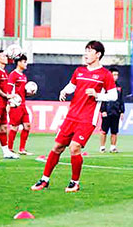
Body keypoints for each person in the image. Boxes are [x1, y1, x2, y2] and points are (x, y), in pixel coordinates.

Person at [31, 41, 117, 192]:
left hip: (87, 118)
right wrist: (64, 91)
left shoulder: (105, 75)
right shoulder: (79, 71)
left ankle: (74, 183)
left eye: (90, 51)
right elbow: (72, 86)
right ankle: (44, 180)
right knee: (57, 147)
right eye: (86, 50)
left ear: (98, 55)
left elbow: (113, 95)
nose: (86, 54)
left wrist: (98, 95)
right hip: (71, 116)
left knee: (74, 147)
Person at [7, 54, 35, 155]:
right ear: (19, 63)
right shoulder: (13, 75)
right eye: (24, 62)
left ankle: (22, 149)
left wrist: (29, 94)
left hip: (23, 104)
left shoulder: (23, 76)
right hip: (15, 105)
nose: (26, 64)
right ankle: (9, 149)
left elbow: (22, 92)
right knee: (14, 127)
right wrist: (10, 102)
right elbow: (9, 91)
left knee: (27, 126)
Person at [99, 67, 125, 153]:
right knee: (104, 131)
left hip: (116, 112)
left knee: (114, 131)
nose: (116, 76)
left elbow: (121, 100)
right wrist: (103, 110)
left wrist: (122, 111)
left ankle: (113, 147)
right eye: (114, 74)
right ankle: (102, 147)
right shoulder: (105, 86)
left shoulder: (119, 87)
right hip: (107, 111)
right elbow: (102, 99)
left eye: (117, 75)